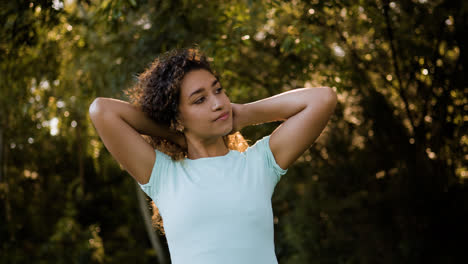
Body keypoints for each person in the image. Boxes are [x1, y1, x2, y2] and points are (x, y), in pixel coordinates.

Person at [88, 46, 337, 264]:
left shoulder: (258, 164)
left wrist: (244, 115)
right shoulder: (164, 176)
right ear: (176, 117)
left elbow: (322, 98)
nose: (217, 103)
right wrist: (175, 132)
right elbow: (102, 110)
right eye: (200, 100)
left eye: (218, 91)